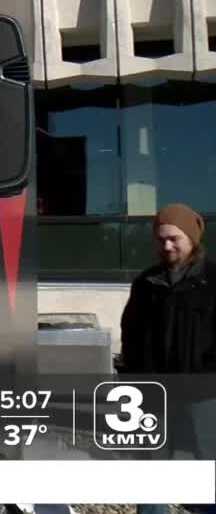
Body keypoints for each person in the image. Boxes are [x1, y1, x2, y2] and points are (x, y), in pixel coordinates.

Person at [119, 203, 216, 514]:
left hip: (203, 397)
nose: (168, 245)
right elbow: (130, 336)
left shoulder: (213, 281)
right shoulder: (146, 284)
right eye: (161, 239)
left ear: (193, 237)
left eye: (175, 238)